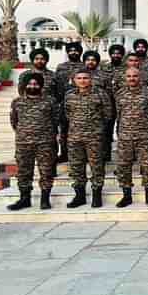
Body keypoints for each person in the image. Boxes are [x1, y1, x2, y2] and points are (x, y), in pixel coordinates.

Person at [62, 69, 113, 208]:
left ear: (90, 79)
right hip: (75, 137)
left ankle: (97, 195)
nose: (82, 80)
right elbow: (67, 114)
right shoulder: (69, 95)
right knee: (76, 167)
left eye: (85, 78)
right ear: (74, 80)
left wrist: (97, 127)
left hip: (94, 137)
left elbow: (108, 114)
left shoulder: (100, 94)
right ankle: (80, 196)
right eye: (79, 78)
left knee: (96, 166)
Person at [8, 72, 59, 211]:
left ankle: (45, 199)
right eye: (30, 83)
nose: (33, 86)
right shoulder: (17, 102)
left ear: (40, 85)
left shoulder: (50, 101)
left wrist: (48, 133)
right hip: (23, 143)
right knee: (23, 172)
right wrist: (24, 133)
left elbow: (56, 120)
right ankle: (25, 199)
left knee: (46, 171)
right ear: (25, 85)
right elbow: (14, 121)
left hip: (45, 142)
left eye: (35, 83)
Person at [114, 67, 148, 208]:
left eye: (135, 76)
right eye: (129, 76)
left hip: (144, 136)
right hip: (125, 136)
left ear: (140, 77)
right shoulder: (120, 93)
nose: (132, 78)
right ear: (125, 78)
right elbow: (118, 113)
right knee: (123, 167)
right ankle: (126, 196)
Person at [56, 41, 84, 163]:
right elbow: (56, 84)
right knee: (64, 130)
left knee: (81, 130)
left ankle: (82, 155)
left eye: (76, 50)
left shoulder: (84, 66)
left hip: (81, 103)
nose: (73, 52)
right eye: (71, 50)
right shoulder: (61, 67)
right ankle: (64, 153)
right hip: (64, 102)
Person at [101, 44, 125, 162]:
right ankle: (106, 155)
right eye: (114, 53)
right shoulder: (104, 68)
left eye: (118, 53)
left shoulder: (126, 69)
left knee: (123, 129)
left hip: (123, 104)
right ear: (110, 55)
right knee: (106, 129)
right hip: (108, 103)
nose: (116, 55)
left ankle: (124, 156)